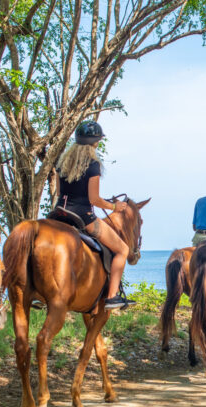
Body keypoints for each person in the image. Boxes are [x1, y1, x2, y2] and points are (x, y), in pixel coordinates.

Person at [54, 121, 136, 309]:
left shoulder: (62, 163)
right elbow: (94, 199)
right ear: (96, 142)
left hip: (59, 212)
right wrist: (115, 207)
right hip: (82, 215)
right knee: (122, 250)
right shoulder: (93, 165)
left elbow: (59, 192)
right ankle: (112, 297)